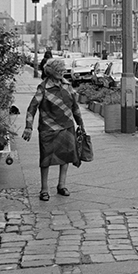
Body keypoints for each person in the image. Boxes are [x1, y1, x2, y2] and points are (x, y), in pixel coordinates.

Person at [22, 58, 86, 201]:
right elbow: (32, 107)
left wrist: (80, 124)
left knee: (66, 156)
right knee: (46, 158)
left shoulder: (67, 85)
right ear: (51, 72)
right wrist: (28, 126)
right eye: (59, 70)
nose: (62, 72)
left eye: (62, 70)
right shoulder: (43, 87)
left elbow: (75, 107)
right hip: (48, 128)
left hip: (67, 126)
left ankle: (61, 185)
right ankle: (44, 189)